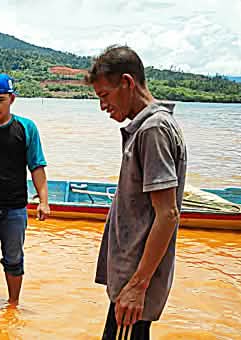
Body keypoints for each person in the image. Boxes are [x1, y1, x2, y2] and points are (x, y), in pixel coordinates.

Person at [86, 45, 187, 340]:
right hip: (129, 281)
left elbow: (167, 214)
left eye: (105, 95)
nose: (103, 106)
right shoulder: (147, 127)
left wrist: (137, 285)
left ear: (127, 83)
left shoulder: (153, 130)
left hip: (134, 286)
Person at [0, 73, 50, 305]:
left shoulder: (26, 128)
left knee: (14, 259)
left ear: (11, 99)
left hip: (15, 208)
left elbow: (36, 166)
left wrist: (43, 201)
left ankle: (13, 304)